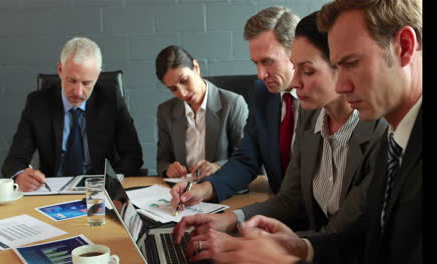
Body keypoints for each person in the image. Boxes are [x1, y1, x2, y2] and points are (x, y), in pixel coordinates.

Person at [210, 0, 423, 263]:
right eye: (336, 66)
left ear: (404, 46)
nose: (341, 85)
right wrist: (302, 249)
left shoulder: (383, 135)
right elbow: (359, 240)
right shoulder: (396, 137)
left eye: (352, 63)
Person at [171, 11, 388, 263]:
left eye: (305, 70)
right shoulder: (312, 117)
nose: (261, 75)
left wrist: (257, 247)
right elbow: (291, 196)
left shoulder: (379, 133)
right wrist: (231, 219)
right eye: (256, 64)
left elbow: (340, 237)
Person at [170, 5, 301, 210]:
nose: (260, 74)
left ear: (296, 52)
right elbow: (246, 161)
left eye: (268, 62)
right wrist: (203, 190)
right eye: (256, 63)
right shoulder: (262, 93)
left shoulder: (322, 100)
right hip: (279, 210)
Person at [2, 37, 144, 192]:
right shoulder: (37, 103)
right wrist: (20, 175)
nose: (78, 92)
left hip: (101, 190)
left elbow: (133, 155)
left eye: (86, 83)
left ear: (97, 76)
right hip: (53, 190)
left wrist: (112, 182)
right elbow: (14, 160)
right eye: (72, 80)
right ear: (60, 70)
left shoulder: (110, 99)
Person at [155, 45, 248, 179]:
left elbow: (245, 158)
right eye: (173, 89)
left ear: (196, 67)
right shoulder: (165, 111)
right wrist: (168, 169)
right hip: (184, 189)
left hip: (221, 187)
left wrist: (217, 166)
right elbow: (162, 160)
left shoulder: (233, 104)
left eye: (184, 81)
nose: (182, 93)